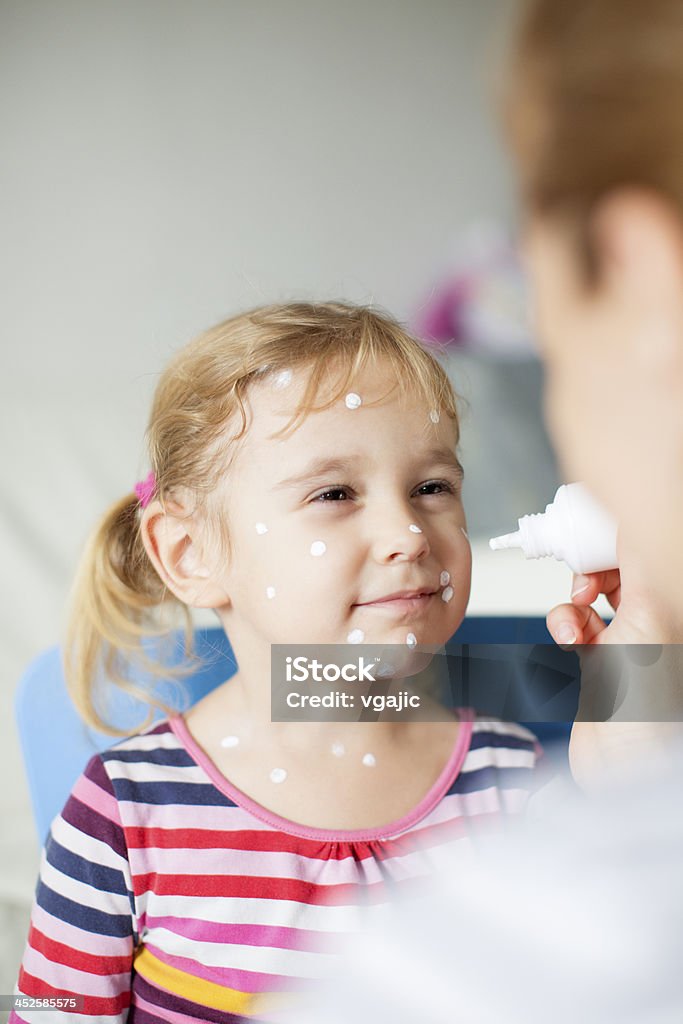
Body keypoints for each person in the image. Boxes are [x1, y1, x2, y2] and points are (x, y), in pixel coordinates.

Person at [10, 302, 544, 1023]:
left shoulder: (516, 785)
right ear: (191, 555)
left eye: (431, 487)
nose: (408, 533)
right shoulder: (123, 815)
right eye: (333, 494)